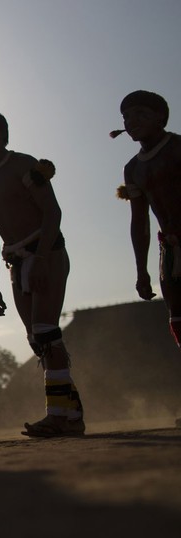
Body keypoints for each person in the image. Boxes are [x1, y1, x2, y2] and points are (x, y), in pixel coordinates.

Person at [0, 109, 83, 437]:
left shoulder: (22, 165)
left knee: (45, 330)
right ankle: (71, 415)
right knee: (36, 339)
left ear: (3, 135)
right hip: (16, 262)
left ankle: (58, 416)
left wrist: (42, 257)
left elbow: (52, 213)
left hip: (47, 253)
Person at [113, 90, 181, 427]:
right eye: (126, 116)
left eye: (139, 113)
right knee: (179, 320)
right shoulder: (133, 169)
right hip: (170, 250)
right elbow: (139, 221)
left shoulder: (179, 148)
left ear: (160, 117)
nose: (131, 121)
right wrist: (141, 271)